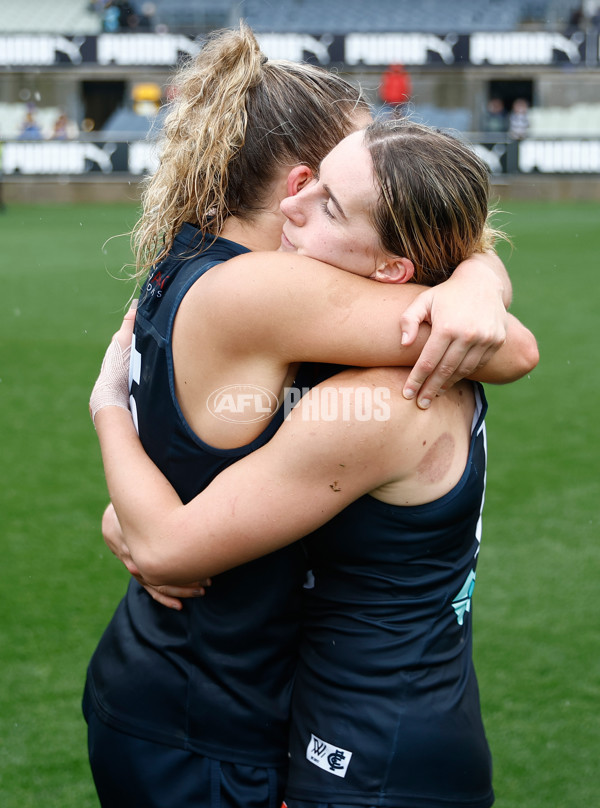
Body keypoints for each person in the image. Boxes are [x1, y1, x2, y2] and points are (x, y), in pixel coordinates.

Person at [84, 25, 537, 808]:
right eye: (350, 172)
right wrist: (471, 283)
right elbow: (509, 349)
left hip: (167, 687)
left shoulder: (193, 255)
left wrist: (469, 269)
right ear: (299, 182)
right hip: (206, 719)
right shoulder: (270, 291)